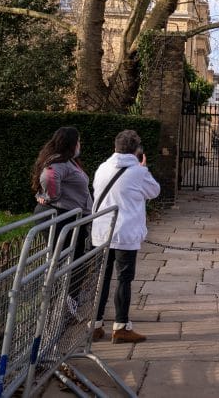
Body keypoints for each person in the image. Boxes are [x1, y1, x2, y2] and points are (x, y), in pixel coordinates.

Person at [90, 129, 160, 343]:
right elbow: (154, 191)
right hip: (125, 233)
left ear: (115, 147)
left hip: (101, 231)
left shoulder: (102, 167)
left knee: (101, 278)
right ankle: (121, 327)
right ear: (137, 151)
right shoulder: (138, 172)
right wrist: (144, 168)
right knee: (124, 280)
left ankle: (95, 325)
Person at [31, 126, 93, 317]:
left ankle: (68, 299)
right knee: (68, 259)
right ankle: (62, 302)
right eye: (78, 141)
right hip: (63, 218)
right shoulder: (58, 164)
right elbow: (49, 176)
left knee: (77, 258)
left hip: (74, 217)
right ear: (71, 144)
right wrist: (49, 196)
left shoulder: (70, 162)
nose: (80, 145)